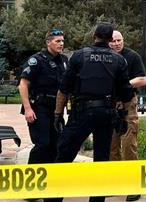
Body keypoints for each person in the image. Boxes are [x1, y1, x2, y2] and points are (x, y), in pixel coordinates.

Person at [53, 22, 133, 202]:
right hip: (106, 114)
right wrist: (124, 116)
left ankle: (54, 199)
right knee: (101, 162)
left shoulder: (79, 56)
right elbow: (126, 94)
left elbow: (63, 89)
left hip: (81, 113)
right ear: (111, 39)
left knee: (64, 156)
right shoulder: (119, 60)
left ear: (94, 36)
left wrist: (58, 115)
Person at [18, 29, 67, 172]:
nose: (61, 44)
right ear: (48, 42)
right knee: (42, 145)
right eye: (58, 41)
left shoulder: (64, 61)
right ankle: (31, 183)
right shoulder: (37, 60)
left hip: (56, 110)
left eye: (62, 41)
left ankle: (49, 182)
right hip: (39, 108)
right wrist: (27, 108)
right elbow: (23, 85)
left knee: (55, 145)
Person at [109, 30, 146, 202]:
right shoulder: (105, 57)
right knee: (112, 145)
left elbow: (142, 79)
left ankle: (134, 186)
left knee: (129, 144)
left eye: (119, 40)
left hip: (127, 104)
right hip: (109, 105)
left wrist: (123, 84)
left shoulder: (132, 56)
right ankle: (115, 183)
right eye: (113, 41)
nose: (117, 43)